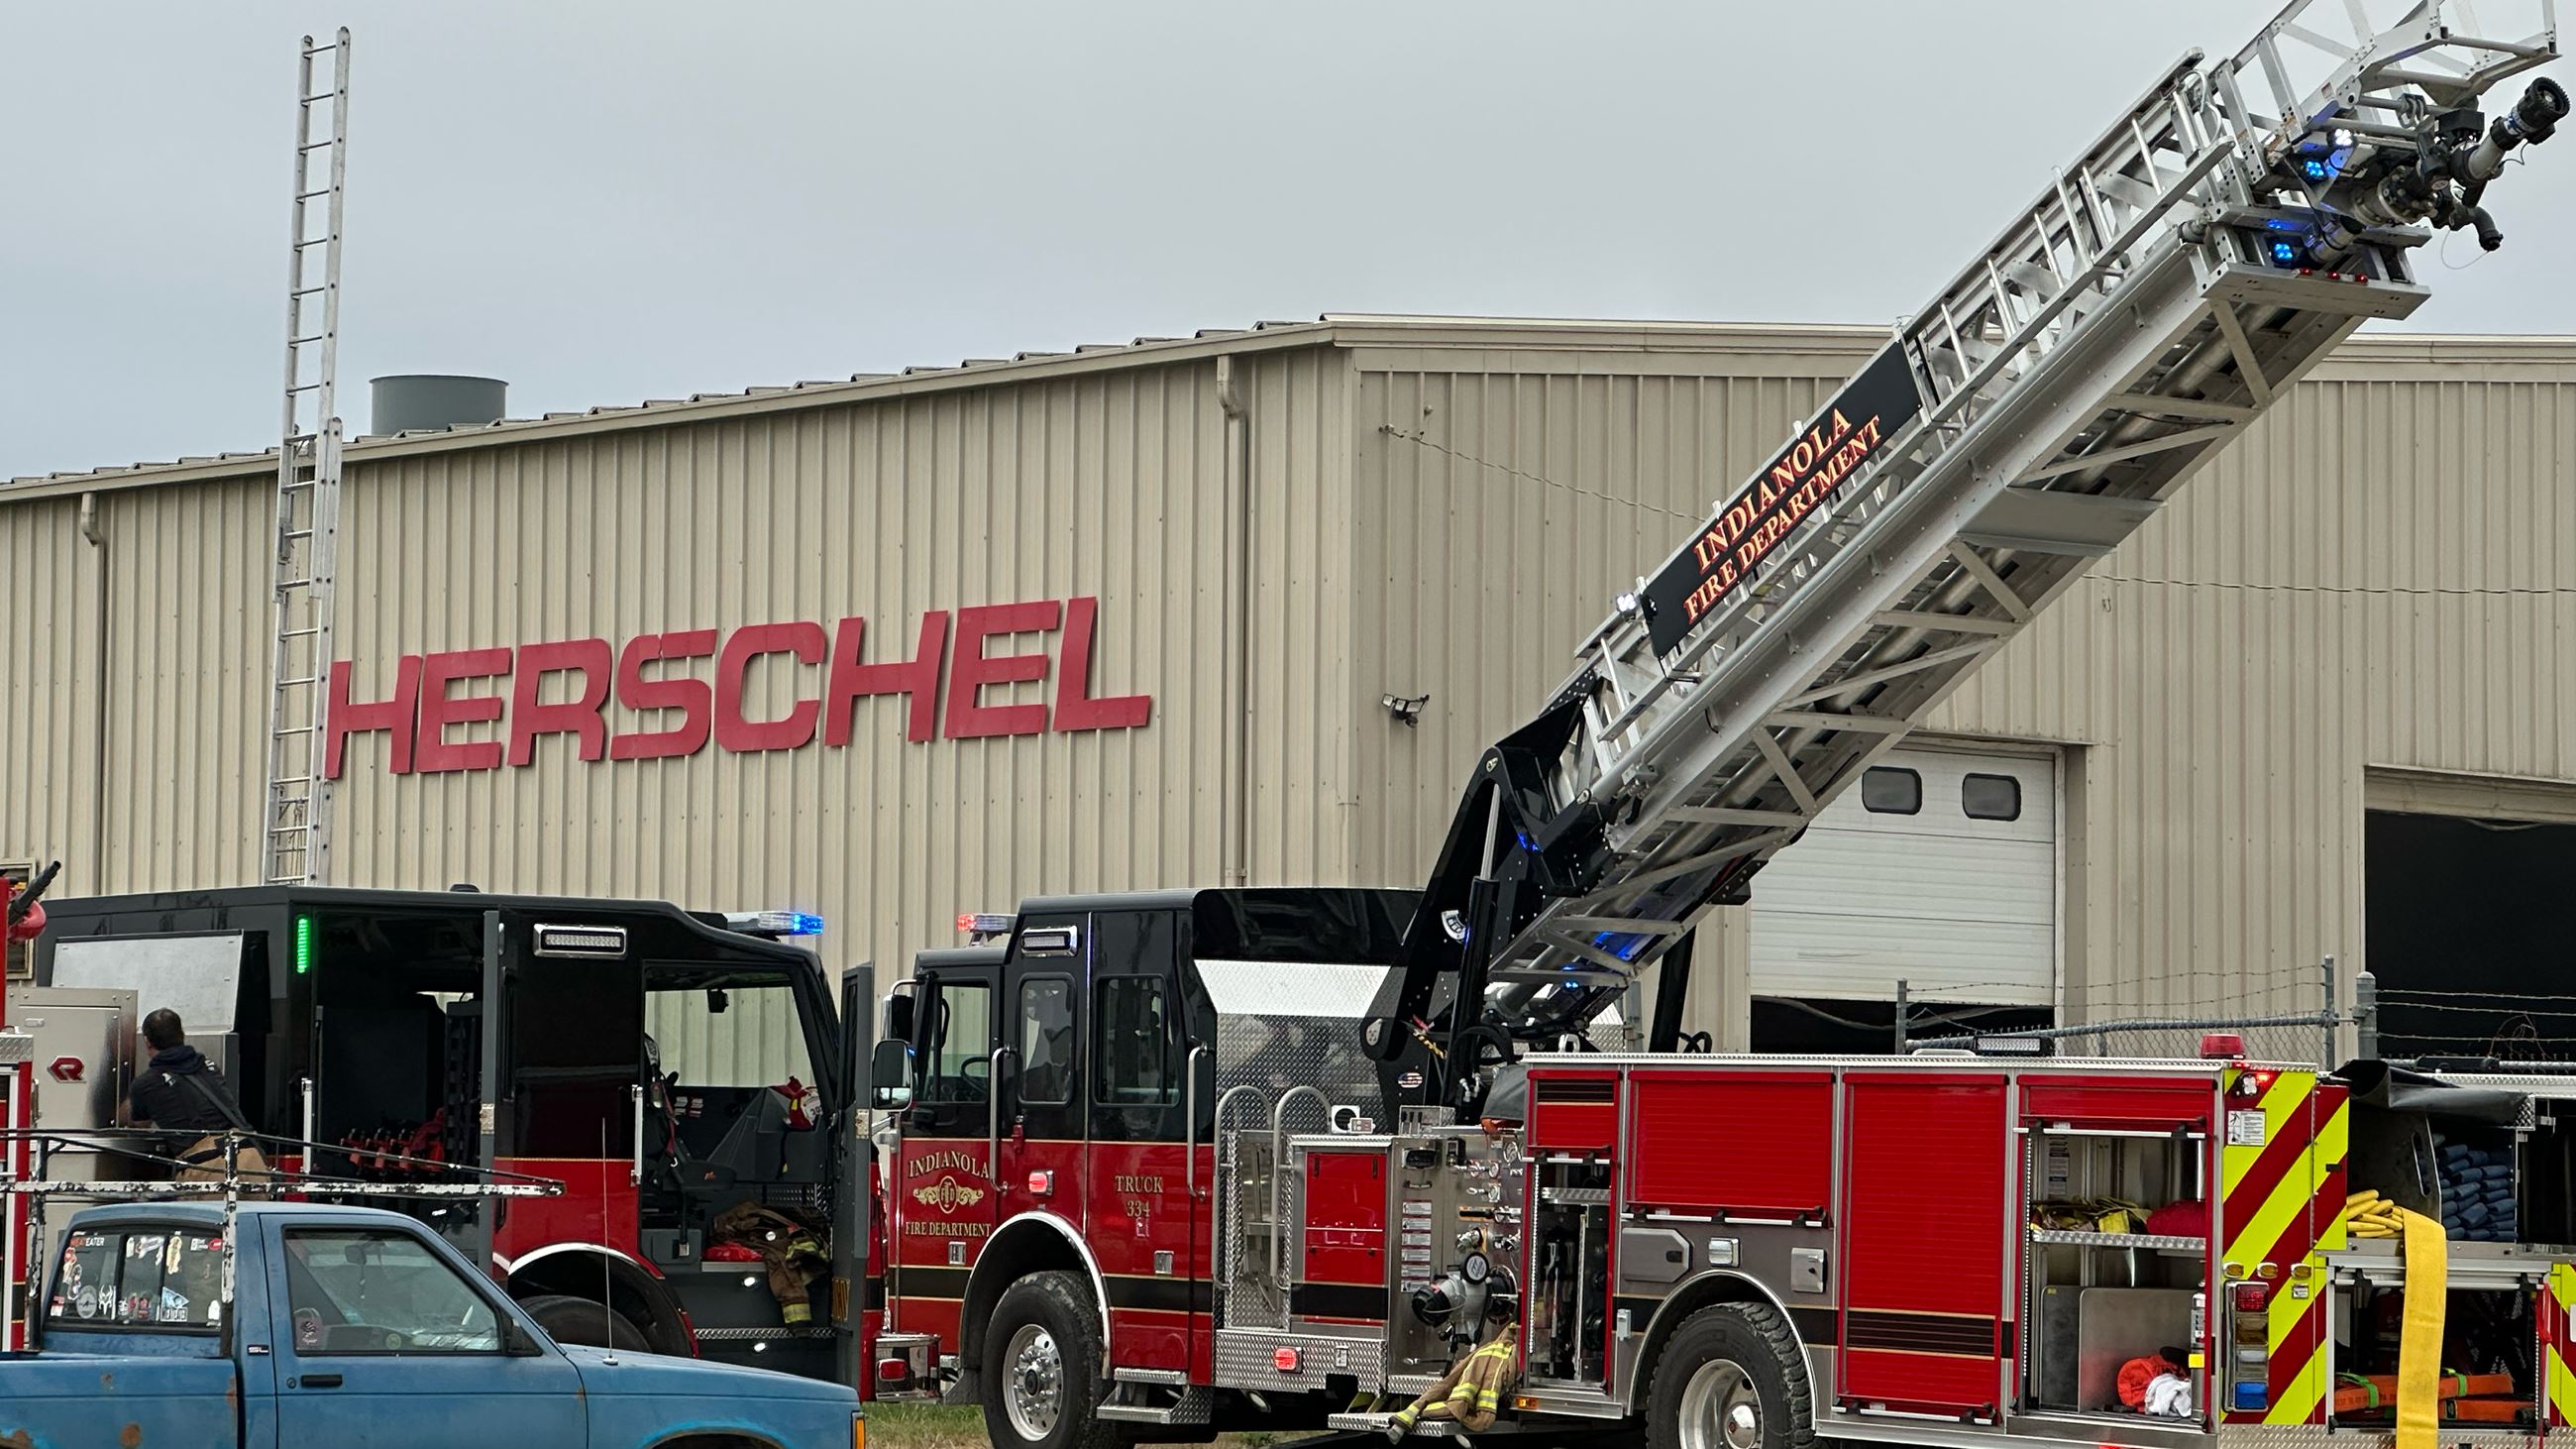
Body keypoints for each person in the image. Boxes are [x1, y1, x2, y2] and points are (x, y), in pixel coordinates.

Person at [127, 1009, 269, 1185]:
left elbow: (140, 1125)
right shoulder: (210, 1067)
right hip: (250, 1160)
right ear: (182, 1035)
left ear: (147, 1041)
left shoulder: (146, 1083)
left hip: (208, 1169)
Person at [1385, 1292, 1520, 1442]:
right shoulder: (1494, 1351)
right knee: (1449, 1386)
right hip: (1467, 1403)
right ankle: (1414, 1412)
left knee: (1449, 1385)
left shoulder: (1495, 1350)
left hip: (1468, 1401)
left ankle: (1413, 1412)